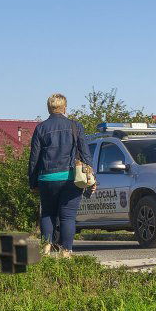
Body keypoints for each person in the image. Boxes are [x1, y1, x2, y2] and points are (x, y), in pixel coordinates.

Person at [28, 93, 95, 257]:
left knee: (47, 214)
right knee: (68, 217)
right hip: (70, 178)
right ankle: (66, 252)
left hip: (46, 178)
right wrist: (92, 178)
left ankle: (46, 250)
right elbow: (85, 154)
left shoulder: (40, 128)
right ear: (64, 108)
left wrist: (33, 182)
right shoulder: (75, 126)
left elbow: (34, 158)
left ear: (49, 109)